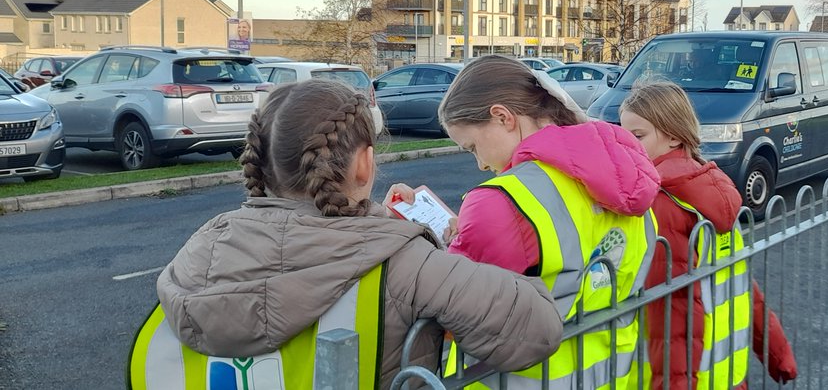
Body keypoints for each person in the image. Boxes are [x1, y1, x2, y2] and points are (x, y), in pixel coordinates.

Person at [129, 79, 563, 389]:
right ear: (364, 164)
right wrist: (440, 247)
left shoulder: (201, 248)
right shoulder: (405, 263)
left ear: (260, 163)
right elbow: (538, 329)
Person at [392, 55, 660, 388]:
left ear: (502, 117)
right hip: (613, 372)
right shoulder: (625, 175)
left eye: (473, 146)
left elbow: (449, 312)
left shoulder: (501, 200)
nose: (479, 164)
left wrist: (410, 235)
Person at [619, 81, 798, 390]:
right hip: (726, 375)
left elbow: (672, 317)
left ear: (674, 135)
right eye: (624, 136)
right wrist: (778, 354)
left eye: (638, 136)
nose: (628, 146)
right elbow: (744, 289)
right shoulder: (714, 189)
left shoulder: (660, 204)